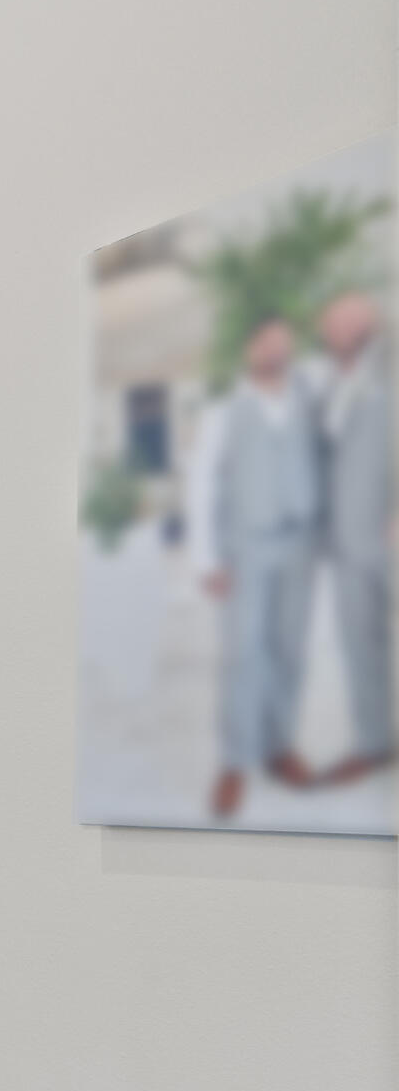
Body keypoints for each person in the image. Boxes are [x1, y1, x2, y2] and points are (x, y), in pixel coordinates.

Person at [200, 316, 324, 820]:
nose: (277, 351)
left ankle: (279, 746)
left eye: (284, 344)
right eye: (268, 343)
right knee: (242, 654)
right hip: (246, 546)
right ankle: (235, 762)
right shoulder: (222, 410)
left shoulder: (307, 402)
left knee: (289, 651)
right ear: (250, 348)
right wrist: (207, 558)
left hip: (299, 542)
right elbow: (203, 483)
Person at [311, 287, 393, 782]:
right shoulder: (327, 384)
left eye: (344, 321)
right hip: (345, 543)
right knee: (360, 645)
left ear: (369, 321)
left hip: (389, 532)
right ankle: (374, 741)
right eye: (330, 324)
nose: (335, 331)